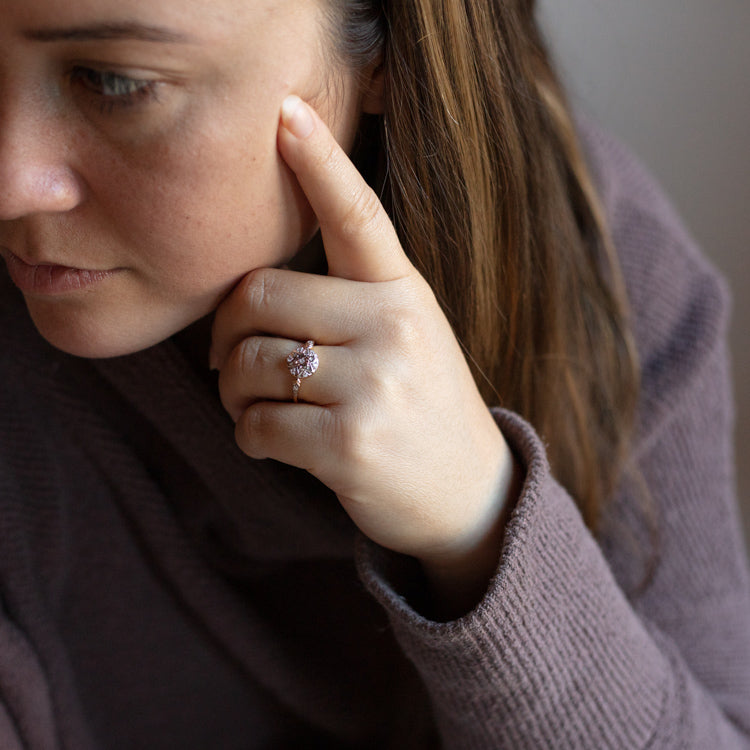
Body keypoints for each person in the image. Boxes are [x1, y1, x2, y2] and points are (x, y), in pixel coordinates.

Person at [1, 0, 748, 747]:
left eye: (113, 79)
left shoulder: (610, 280)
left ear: (386, 49)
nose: (9, 184)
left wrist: (477, 521)